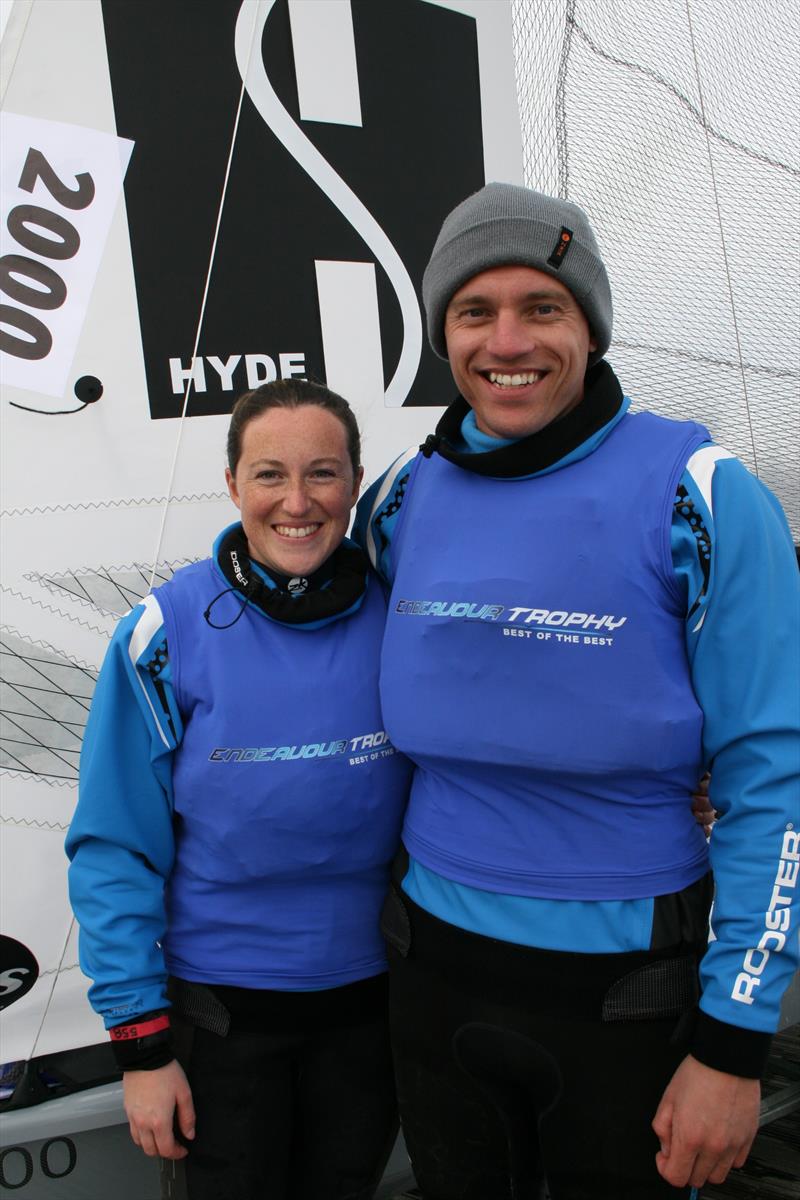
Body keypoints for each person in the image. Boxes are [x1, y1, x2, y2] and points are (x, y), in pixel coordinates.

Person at [355, 183, 800, 1199]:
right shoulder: (401, 495)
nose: (506, 341)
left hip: (623, 995)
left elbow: (771, 778)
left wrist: (731, 1048)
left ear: (589, 328)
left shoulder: (702, 493)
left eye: (541, 308)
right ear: (442, 332)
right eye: (475, 311)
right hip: (432, 973)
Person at [66, 380, 411, 1200]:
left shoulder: (403, 617)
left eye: (323, 474)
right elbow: (115, 845)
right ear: (231, 485)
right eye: (269, 475)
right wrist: (144, 1051)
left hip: (372, 1013)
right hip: (220, 1019)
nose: (297, 502)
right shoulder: (165, 632)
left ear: (354, 485)